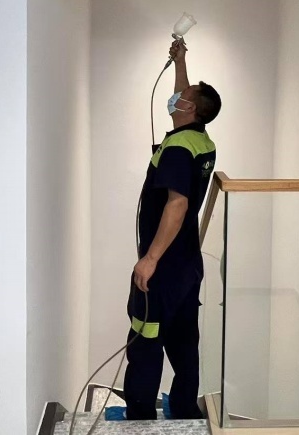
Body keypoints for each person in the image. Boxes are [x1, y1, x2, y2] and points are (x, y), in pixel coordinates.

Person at [123, 38, 221, 420]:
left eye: (184, 96)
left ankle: (140, 418)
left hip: (162, 269)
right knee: (183, 341)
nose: (176, 97)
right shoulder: (200, 141)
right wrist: (181, 61)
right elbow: (185, 97)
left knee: (146, 339)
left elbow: (177, 206)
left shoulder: (179, 149)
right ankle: (183, 411)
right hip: (187, 264)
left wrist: (149, 260)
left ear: (190, 109)